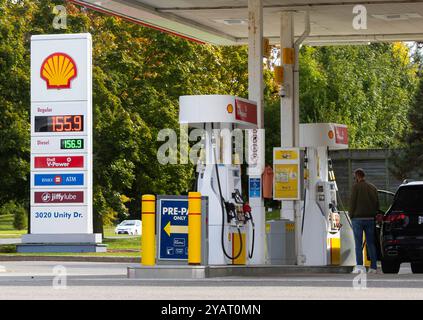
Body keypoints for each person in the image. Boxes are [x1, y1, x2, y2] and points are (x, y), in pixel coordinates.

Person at [349, 168, 380, 274]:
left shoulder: (355, 187)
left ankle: (360, 266)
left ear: (357, 176)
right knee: (371, 243)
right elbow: (377, 204)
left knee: (358, 244)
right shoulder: (373, 188)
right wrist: (374, 214)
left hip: (357, 219)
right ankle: (374, 267)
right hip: (370, 219)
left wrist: (350, 215)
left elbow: (352, 202)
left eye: (354, 177)